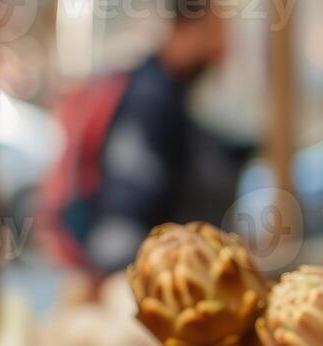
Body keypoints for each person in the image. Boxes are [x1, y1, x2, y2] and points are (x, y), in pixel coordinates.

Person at [41, 0, 229, 278]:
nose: (224, 46)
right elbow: (128, 196)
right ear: (193, 27)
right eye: (220, 30)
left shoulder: (172, 93)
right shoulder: (150, 98)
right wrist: (120, 279)